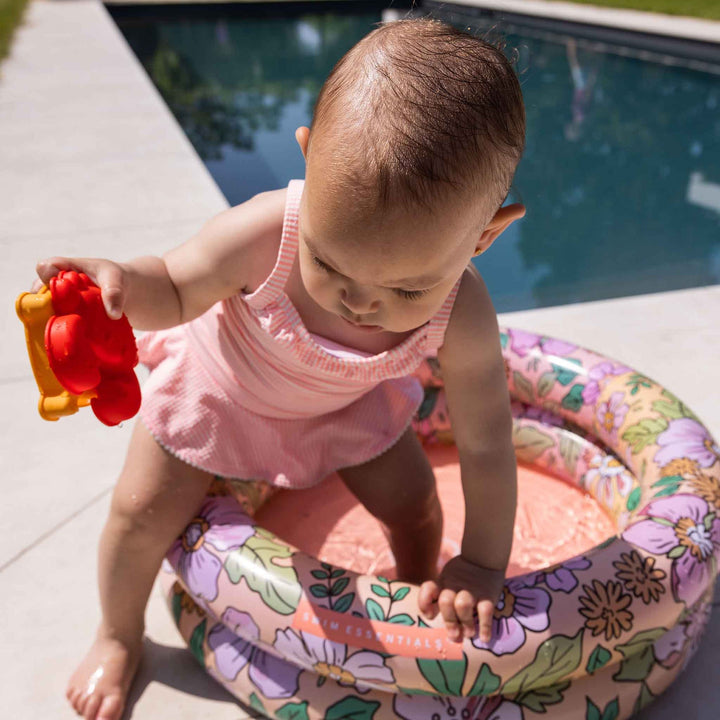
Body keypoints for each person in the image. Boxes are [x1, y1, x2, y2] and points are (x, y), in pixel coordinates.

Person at [35, 18, 525, 720]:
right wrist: (121, 285)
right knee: (138, 515)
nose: (360, 302)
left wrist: (481, 561)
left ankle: (415, 590)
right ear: (308, 157)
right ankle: (117, 633)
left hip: (345, 410)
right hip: (220, 389)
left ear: (486, 235)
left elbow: (484, 440)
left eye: (409, 289)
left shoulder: (467, 311)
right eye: (327, 262)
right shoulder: (268, 231)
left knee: (416, 502)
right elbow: (174, 284)